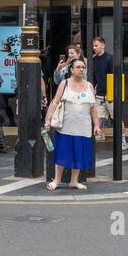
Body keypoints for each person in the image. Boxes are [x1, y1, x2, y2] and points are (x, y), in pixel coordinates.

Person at [44, 56, 103, 191]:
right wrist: (48, 119)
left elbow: (93, 107)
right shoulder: (64, 83)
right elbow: (55, 102)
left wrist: (97, 125)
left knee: (79, 153)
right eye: (78, 67)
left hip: (83, 126)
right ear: (71, 70)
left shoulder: (89, 86)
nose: (81, 69)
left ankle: (74, 181)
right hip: (66, 125)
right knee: (62, 154)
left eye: (83, 67)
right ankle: (57, 181)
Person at [91, 35, 127, 151]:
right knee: (99, 118)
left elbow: (114, 77)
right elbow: (94, 78)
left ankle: (122, 140)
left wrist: (110, 93)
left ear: (103, 45)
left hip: (110, 95)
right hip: (99, 94)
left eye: (96, 45)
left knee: (117, 118)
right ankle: (100, 136)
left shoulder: (109, 58)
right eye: (93, 46)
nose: (94, 48)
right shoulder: (93, 60)